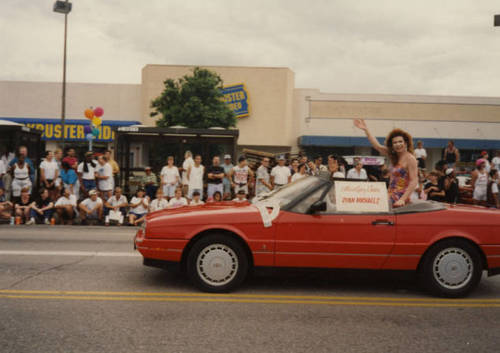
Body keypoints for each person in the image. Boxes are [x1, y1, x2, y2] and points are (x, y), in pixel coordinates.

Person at [354, 119, 418, 207]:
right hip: (390, 194)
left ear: (406, 143)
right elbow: (377, 146)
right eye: (395, 142)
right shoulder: (393, 155)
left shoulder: (410, 158)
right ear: (392, 145)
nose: (398, 144)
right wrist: (366, 130)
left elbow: (414, 181)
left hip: (400, 197)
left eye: (400, 141)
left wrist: (402, 199)